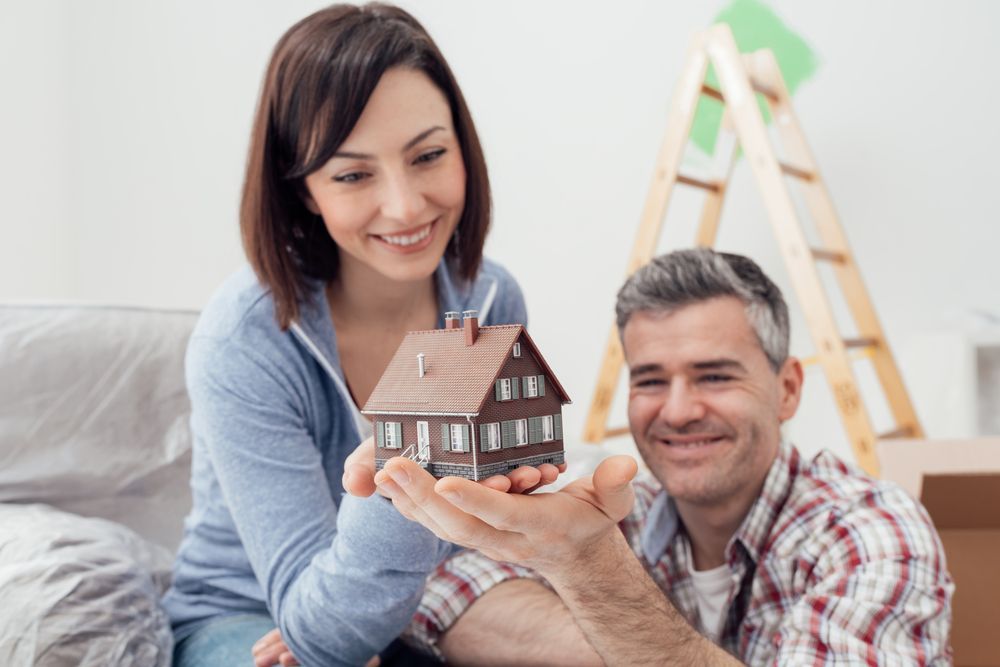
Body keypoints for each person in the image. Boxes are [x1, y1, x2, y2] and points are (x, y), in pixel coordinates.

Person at [160, 4, 562, 667]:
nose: (405, 206)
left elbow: (485, 529)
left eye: (429, 155)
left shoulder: (490, 297)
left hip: (418, 597)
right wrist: (407, 476)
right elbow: (317, 631)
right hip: (247, 613)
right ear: (305, 189)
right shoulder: (244, 337)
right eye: (352, 174)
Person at [357, 248, 954, 665]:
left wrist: (595, 579)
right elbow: (442, 599)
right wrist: (619, 641)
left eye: (714, 376)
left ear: (789, 388)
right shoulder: (628, 511)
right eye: (649, 380)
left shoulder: (872, 531)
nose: (677, 411)